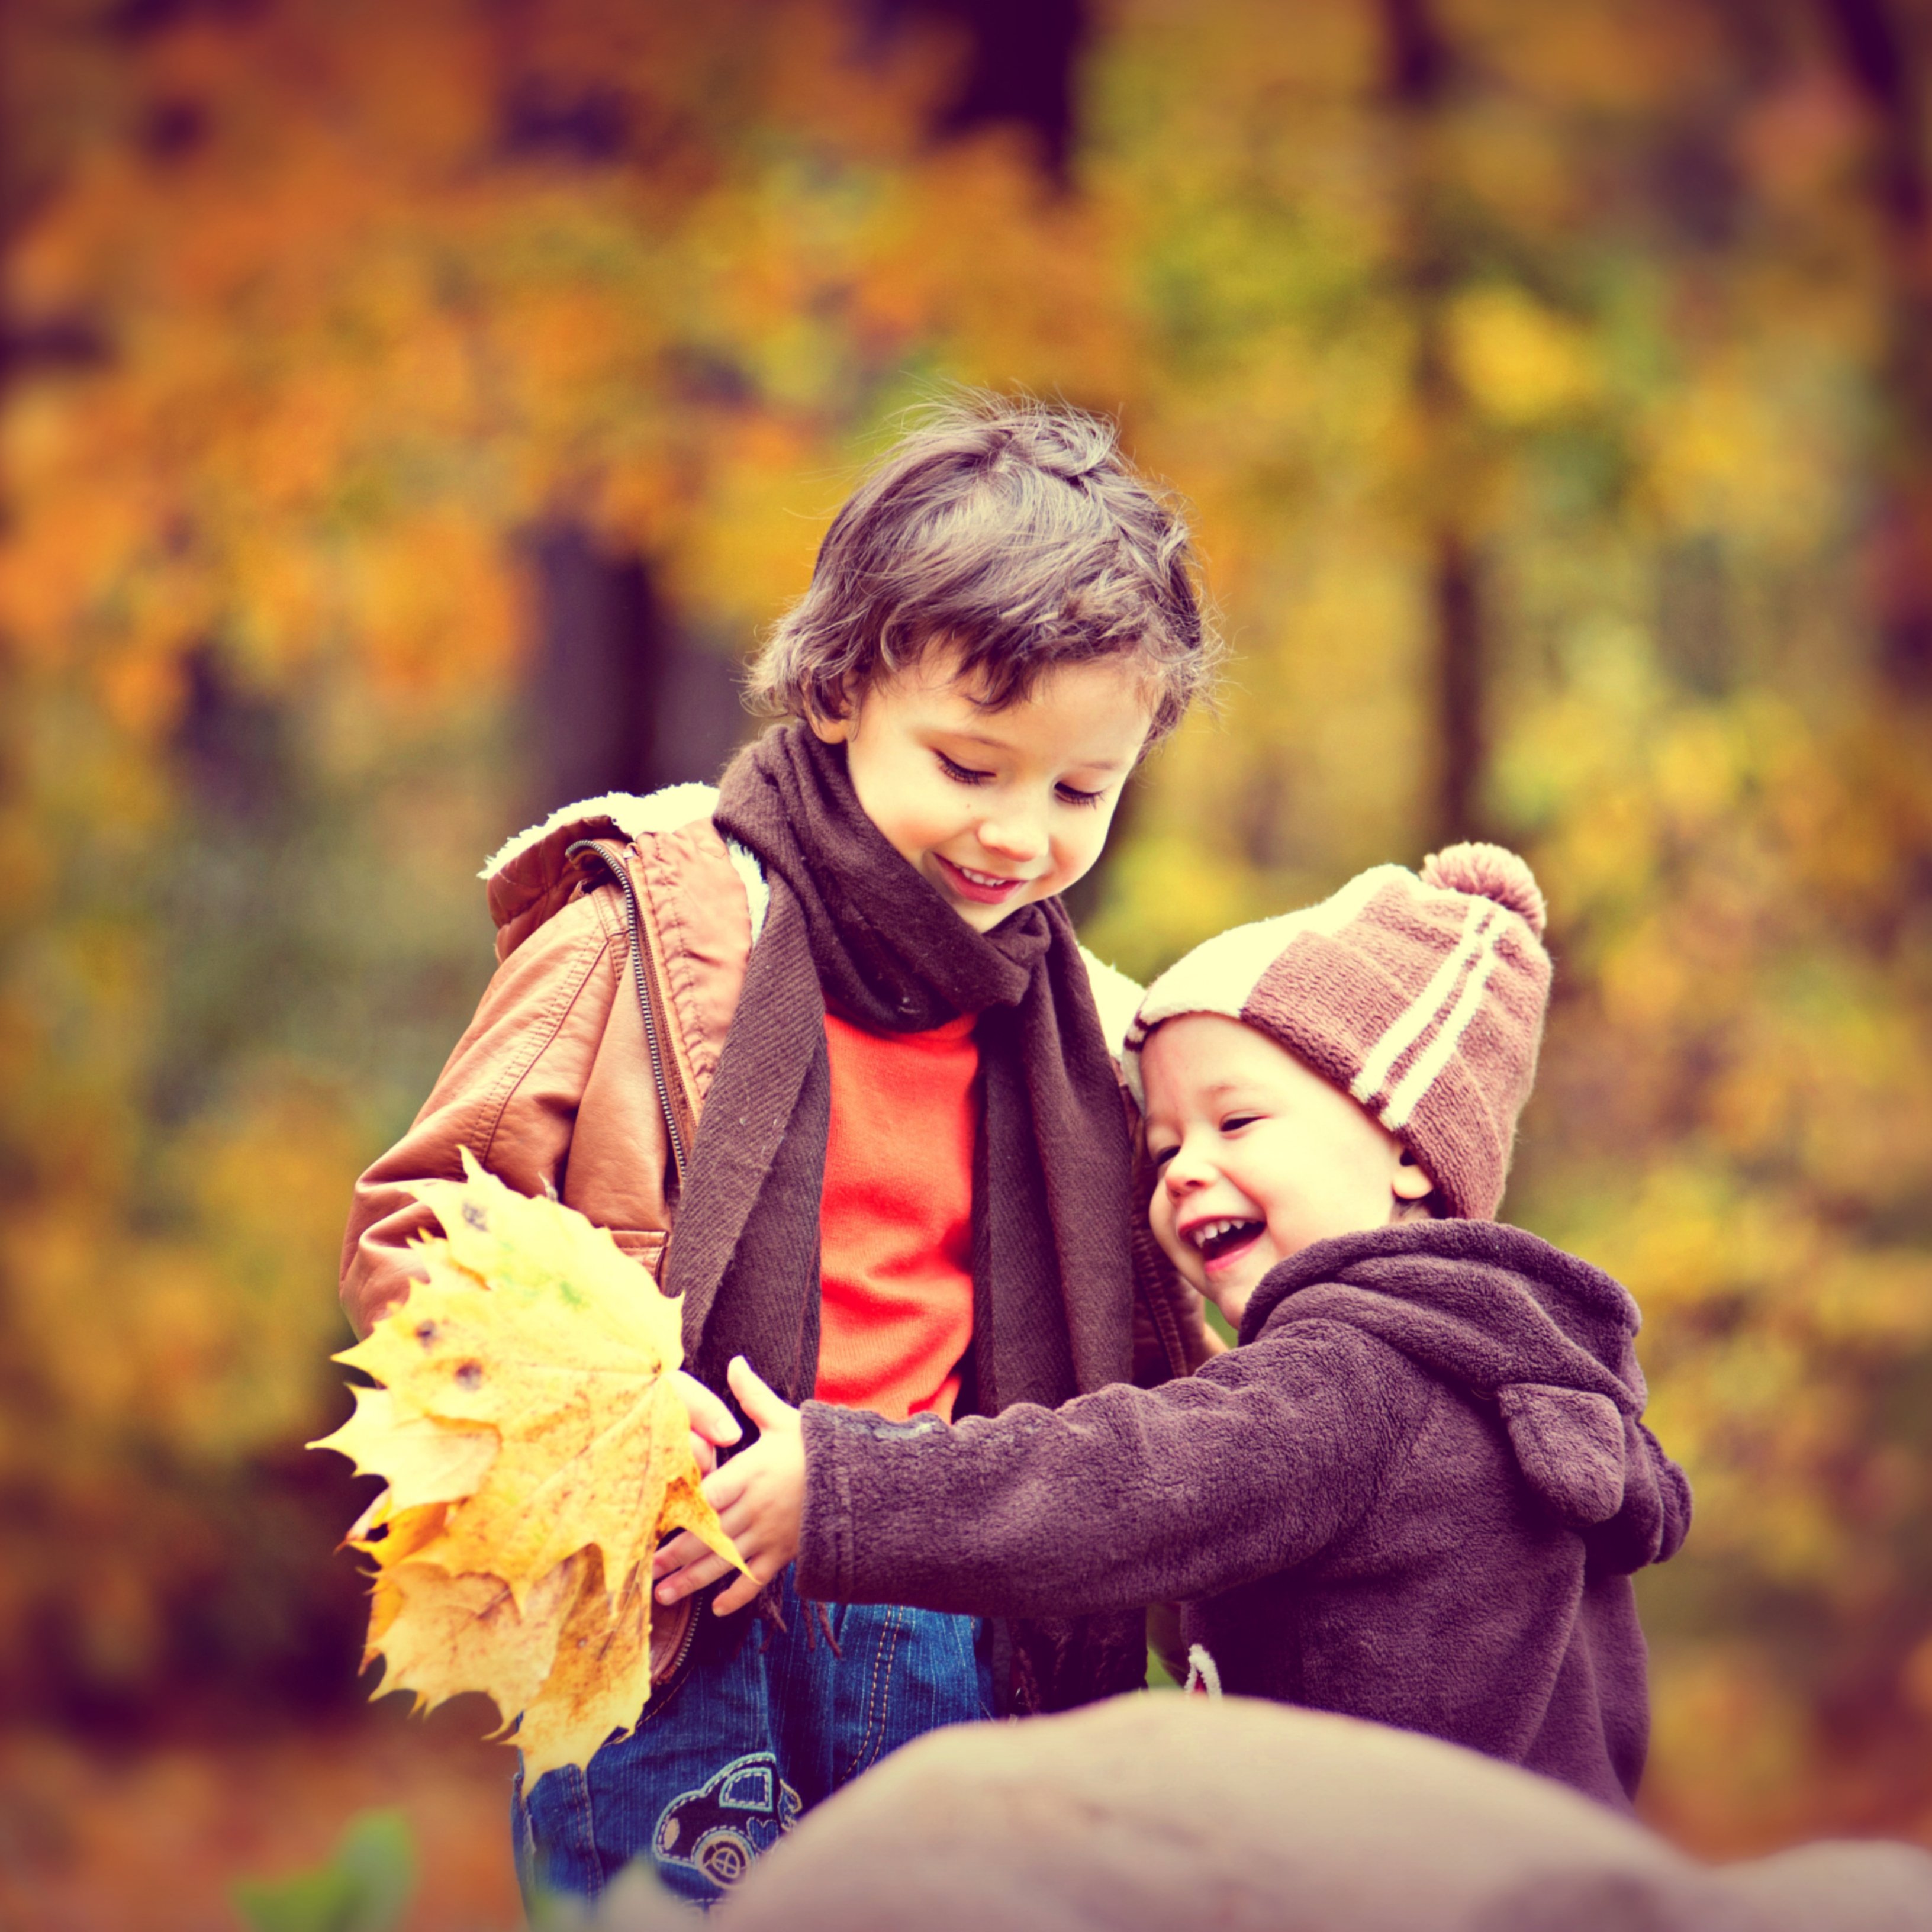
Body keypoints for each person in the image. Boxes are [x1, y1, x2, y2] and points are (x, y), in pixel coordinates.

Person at [337, 394, 1218, 1907]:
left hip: (949, 1620)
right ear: (837, 691)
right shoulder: (653, 933)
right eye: (970, 764)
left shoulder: (1090, 1035)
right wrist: (632, 1436)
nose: (1020, 834)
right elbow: (427, 1232)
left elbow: (1182, 1375)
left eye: (1082, 791)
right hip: (674, 1612)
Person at [659, 843, 1694, 1810]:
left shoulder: (1355, 1376)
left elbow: (1119, 1486)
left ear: (1410, 1149)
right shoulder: (1504, 1375)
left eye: (1236, 1121)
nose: (1186, 1168)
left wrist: (843, 1484)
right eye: (1161, 1149)